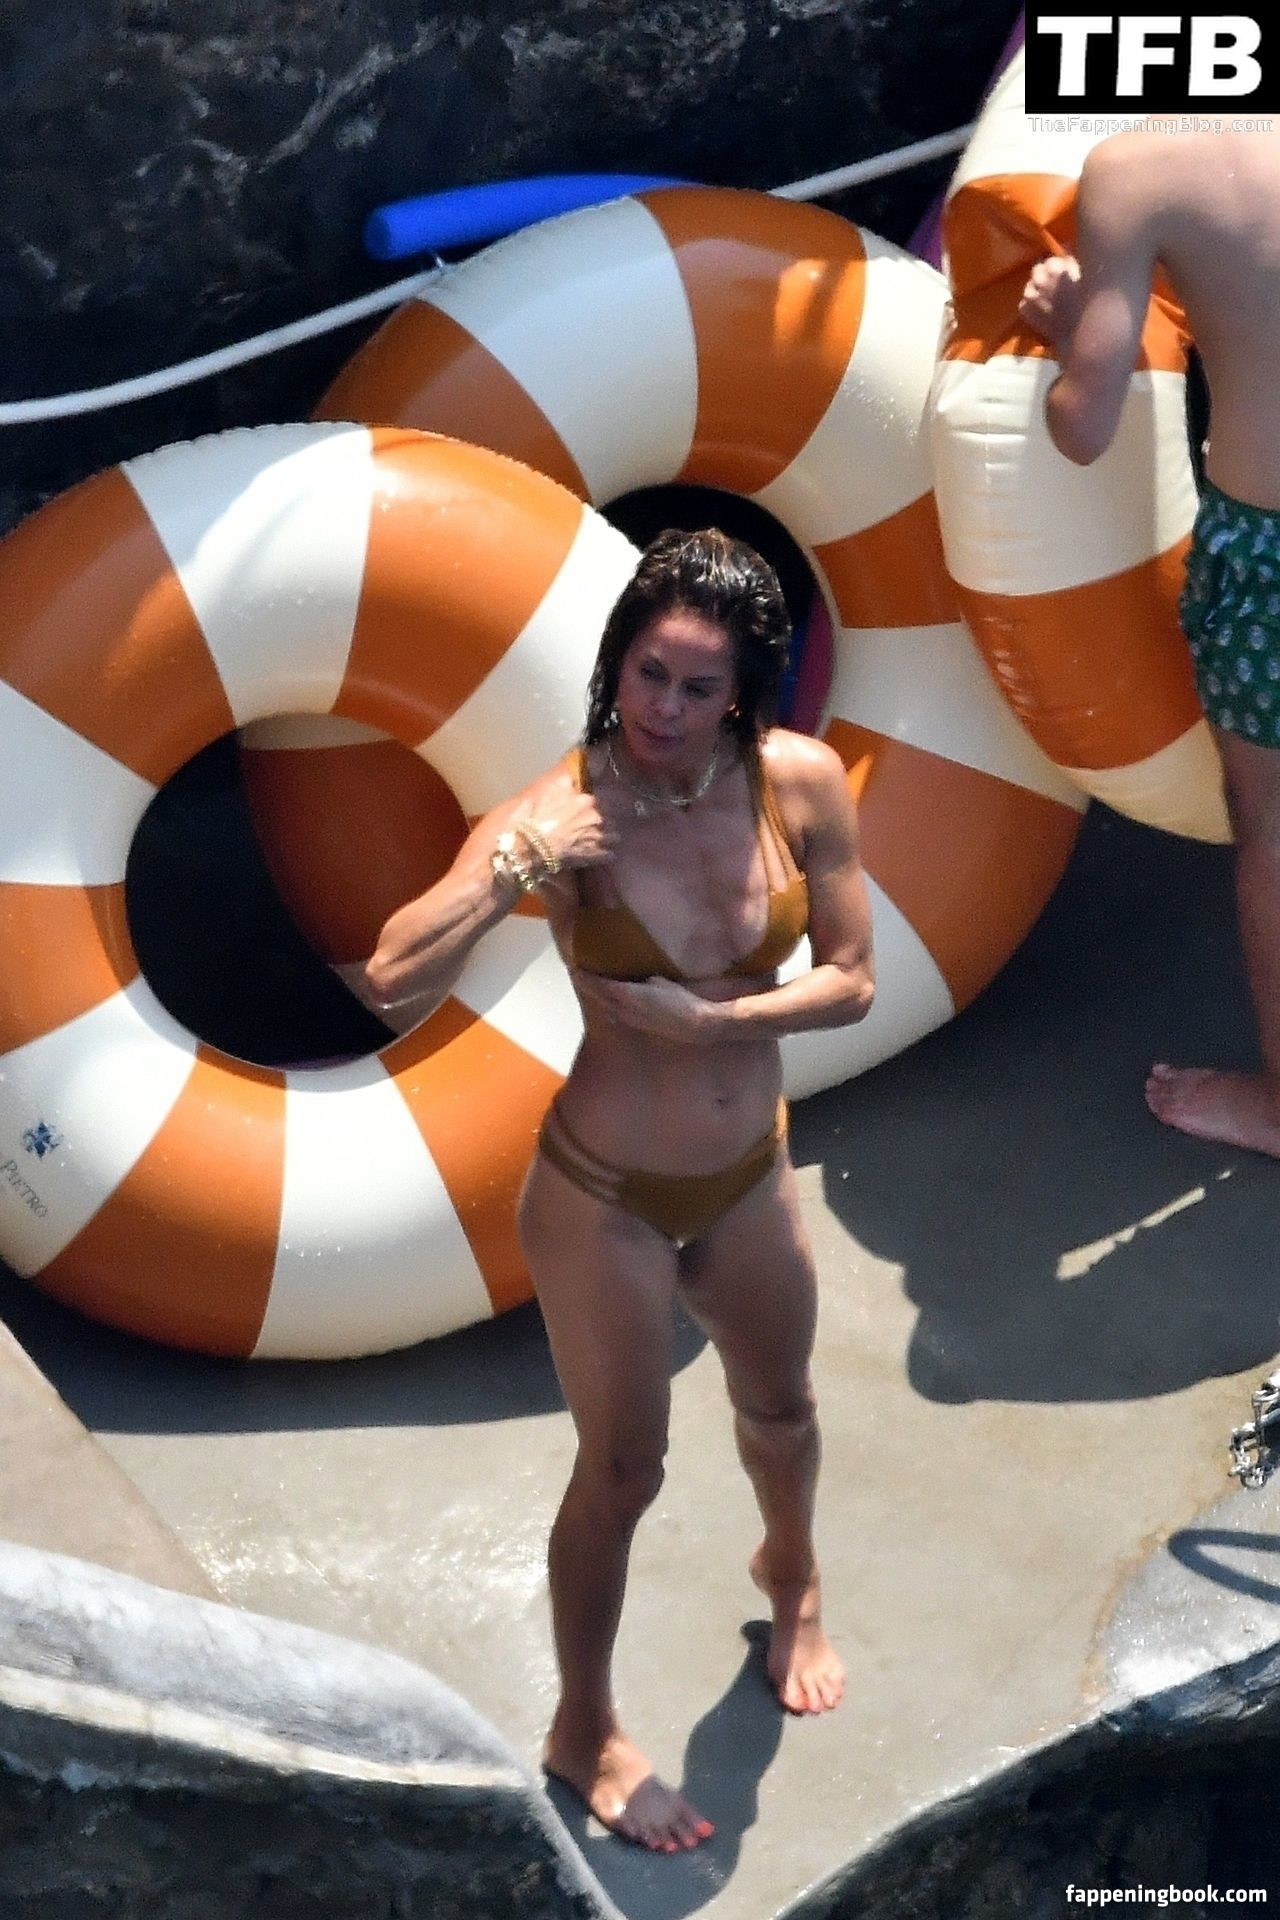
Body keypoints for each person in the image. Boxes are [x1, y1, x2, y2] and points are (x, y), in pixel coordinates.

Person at [366, 528, 875, 1852]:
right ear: (617, 664)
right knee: (622, 1469)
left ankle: (792, 1575)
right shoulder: (566, 810)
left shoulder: (798, 783)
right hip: (603, 1197)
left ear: (743, 694)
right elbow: (389, 976)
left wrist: (718, 1025)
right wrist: (513, 870)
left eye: (698, 687)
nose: (664, 709)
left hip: (749, 1172)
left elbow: (853, 978)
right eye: (648, 673)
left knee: (784, 1411)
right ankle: (582, 1726)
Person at [1018, 118, 1280, 1156]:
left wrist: (1066, 330)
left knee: (1271, 827)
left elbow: (1084, 425)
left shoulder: (1143, 167)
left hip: (1268, 548)